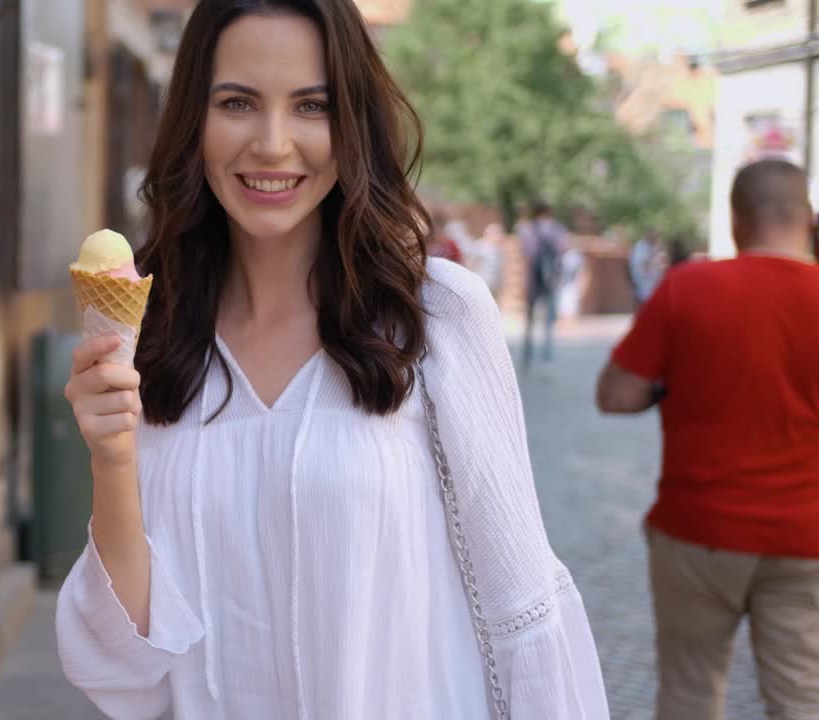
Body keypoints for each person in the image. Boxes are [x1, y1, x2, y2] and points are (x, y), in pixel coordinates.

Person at [57, 2, 609, 718]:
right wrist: (111, 457)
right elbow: (126, 674)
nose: (273, 144)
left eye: (312, 106)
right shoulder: (155, 341)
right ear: (194, 119)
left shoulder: (435, 317)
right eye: (237, 103)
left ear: (352, 125)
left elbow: (522, 610)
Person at [596, 159, 819, 720]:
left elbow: (616, 395)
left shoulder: (688, 288)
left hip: (698, 532)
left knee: (689, 695)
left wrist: (667, 388)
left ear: (737, 220)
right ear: (807, 219)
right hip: (807, 538)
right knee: (802, 699)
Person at [519, 201, 570, 371]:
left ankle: (527, 357)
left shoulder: (528, 230)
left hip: (533, 279)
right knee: (549, 321)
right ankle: (547, 358)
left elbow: (527, 257)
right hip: (551, 281)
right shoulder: (557, 230)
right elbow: (563, 252)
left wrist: (524, 282)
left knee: (529, 321)